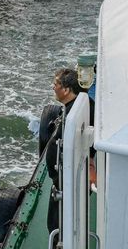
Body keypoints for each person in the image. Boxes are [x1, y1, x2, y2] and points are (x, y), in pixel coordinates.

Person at [46, 67, 96, 236]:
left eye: (56, 84)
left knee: (57, 225)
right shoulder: (84, 106)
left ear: (66, 90)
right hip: (64, 178)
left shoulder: (74, 116)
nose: (53, 87)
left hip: (67, 182)